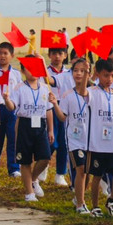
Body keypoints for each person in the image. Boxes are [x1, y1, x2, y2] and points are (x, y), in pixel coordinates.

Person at [1, 57, 53, 202]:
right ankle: (29, 193)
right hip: (25, 125)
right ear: (23, 71)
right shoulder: (19, 88)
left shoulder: (45, 88)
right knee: (25, 161)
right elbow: (12, 107)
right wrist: (7, 100)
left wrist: (50, 130)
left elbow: (49, 110)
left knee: (45, 158)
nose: (33, 72)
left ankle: (33, 179)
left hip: (41, 125)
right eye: (29, 69)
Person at [49, 57, 92, 215]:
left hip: (89, 139)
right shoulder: (67, 95)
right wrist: (55, 104)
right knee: (80, 169)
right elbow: (62, 117)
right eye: (76, 71)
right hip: (74, 139)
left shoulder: (93, 94)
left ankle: (78, 197)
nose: (78, 74)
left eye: (83, 71)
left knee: (87, 172)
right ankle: (81, 204)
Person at [85, 58, 113, 217]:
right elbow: (82, 90)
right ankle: (95, 206)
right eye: (105, 75)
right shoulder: (92, 92)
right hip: (97, 143)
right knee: (97, 175)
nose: (109, 79)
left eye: (112, 75)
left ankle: (112, 199)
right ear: (98, 74)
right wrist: (88, 74)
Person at [0, 42, 22, 178]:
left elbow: (19, 91)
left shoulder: (16, 74)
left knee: (13, 138)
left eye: (5, 53)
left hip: (12, 109)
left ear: (12, 55)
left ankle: (14, 168)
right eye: (0, 53)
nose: (2, 56)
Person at [47, 45, 74, 186]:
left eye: (60, 53)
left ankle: (60, 174)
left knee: (64, 142)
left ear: (65, 55)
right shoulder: (45, 72)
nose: (57, 56)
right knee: (50, 140)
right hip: (49, 107)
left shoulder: (70, 73)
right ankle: (44, 164)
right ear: (49, 55)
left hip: (64, 107)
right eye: (54, 53)